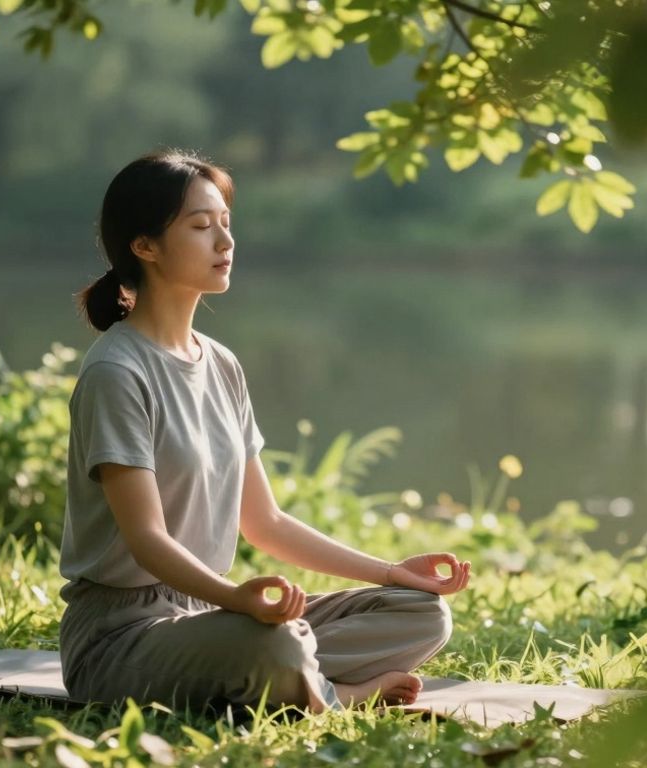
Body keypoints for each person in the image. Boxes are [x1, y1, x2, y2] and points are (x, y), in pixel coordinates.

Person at [57, 149, 472, 715]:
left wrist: (393, 573)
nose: (225, 243)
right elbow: (146, 540)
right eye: (202, 227)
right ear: (145, 246)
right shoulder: (116, 373)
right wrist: (234, 600)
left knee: (421, 613)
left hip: (209, 621)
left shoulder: (221, 364)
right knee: (273, 643)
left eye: (226, 224)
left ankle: (281, 672)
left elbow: (266, 523)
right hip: (120, 638)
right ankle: (336, 695)